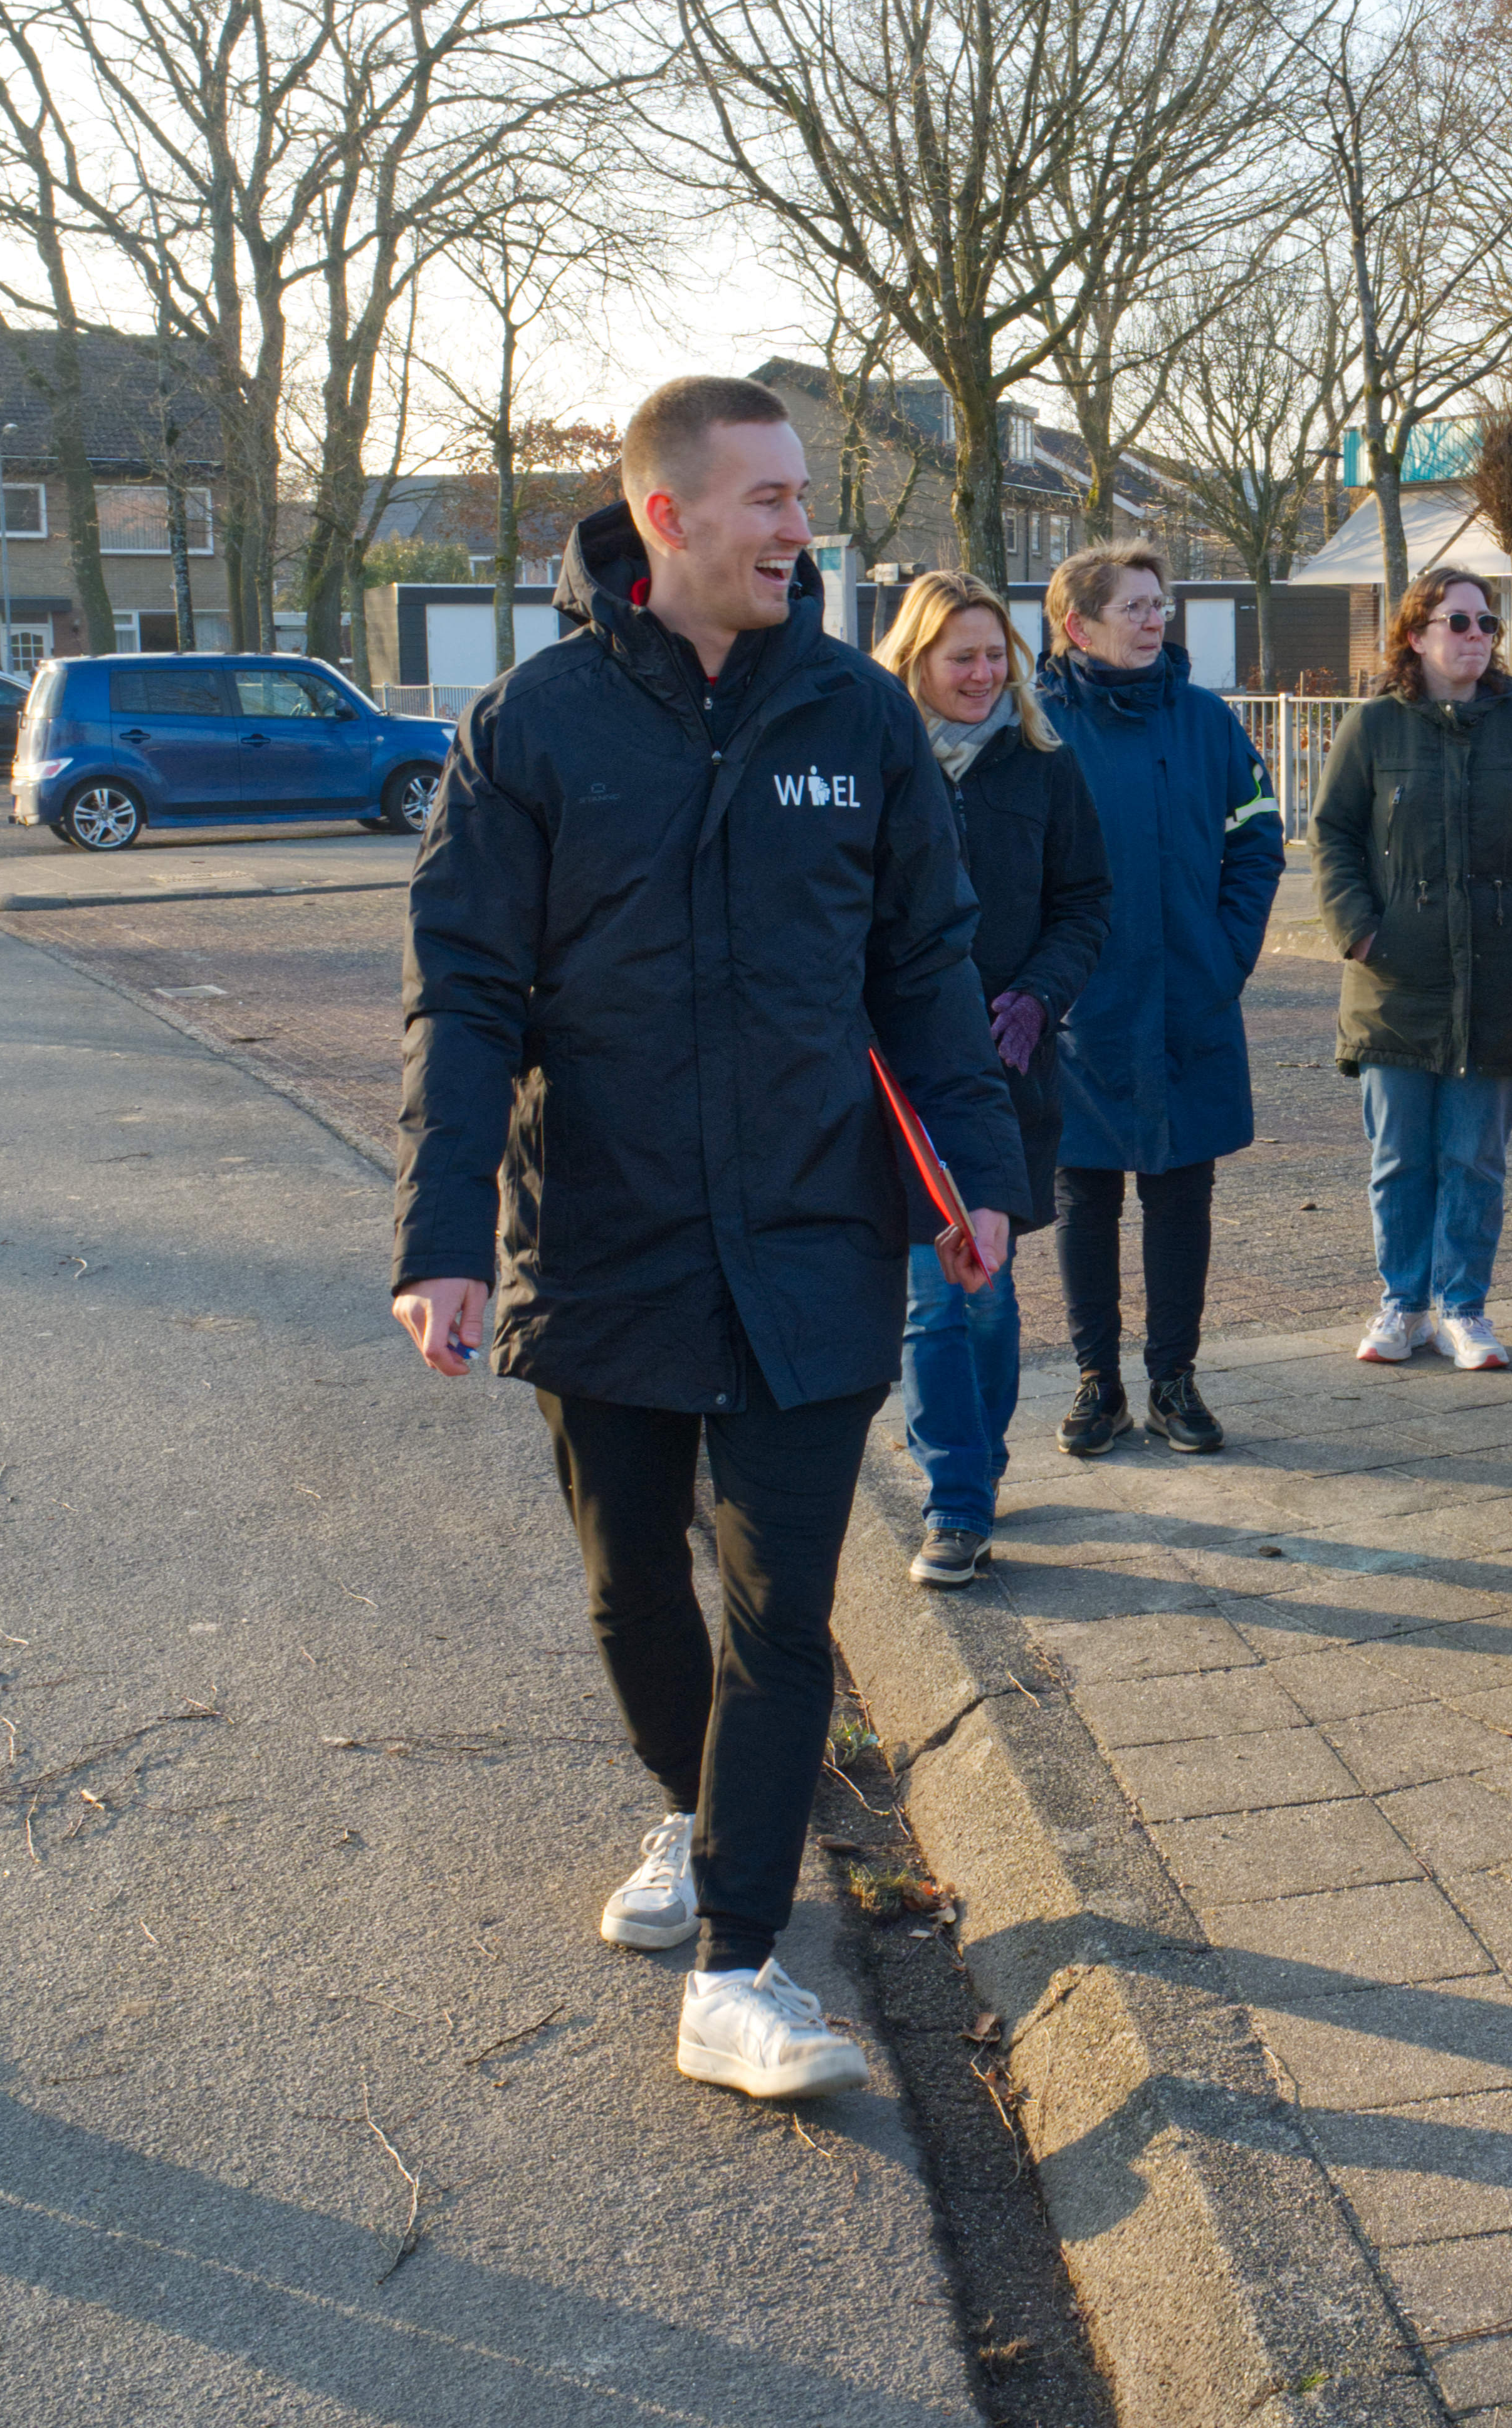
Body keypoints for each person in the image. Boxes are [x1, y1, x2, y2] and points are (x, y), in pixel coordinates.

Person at [393, 376, 1025, 2103]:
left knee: (781, 1616)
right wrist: (442, 1237)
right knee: (630, 1597)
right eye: (762, 498)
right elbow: (460, 995)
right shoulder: (534, 726)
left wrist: (972, 1171)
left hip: (816, 1236)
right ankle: (691, 1812)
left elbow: (926, 967)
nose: (795, 526)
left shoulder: (854, 717)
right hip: (601, 1240)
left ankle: (741, 1962)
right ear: (664, 517)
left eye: (800, 495)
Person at [871, 570, 1110, 1588]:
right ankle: (956, 1501)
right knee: (937, 1291)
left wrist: (1039, 994)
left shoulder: (1043, 766)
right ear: (915, 659)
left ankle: (976, 1463)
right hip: (900, 1076)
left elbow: (1085, 900)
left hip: (1009, 1075)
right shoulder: (873, 761)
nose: (978, 674)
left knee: (988, 1292)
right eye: (957, 655)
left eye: (991, 654)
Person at [1034, 540, 1283, 1459]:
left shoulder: (1206, 721)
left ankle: (1174, 1379)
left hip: (1190, 998)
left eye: (1158, 605)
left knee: (1183, 1195)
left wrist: (1225, 954)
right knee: (1084, 1196)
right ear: (1078, 626)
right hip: (1085, 1007)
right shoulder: (1043, 727)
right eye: (1134, 607)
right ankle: (1097, 1382)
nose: (1155, 620)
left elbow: (1259, 836)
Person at [1313, 565, 1512, 1372]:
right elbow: (1333, 837)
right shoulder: (1372, 729)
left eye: (1487, 624)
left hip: (1500, 976)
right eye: (1459, 622)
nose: (1476, 637)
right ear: (1416, 634)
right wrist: (1360, 931)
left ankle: (1464, 1306)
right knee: (1399, 1156)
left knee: (1474, 1155)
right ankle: (1403, 1303)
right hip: (1395, 981)